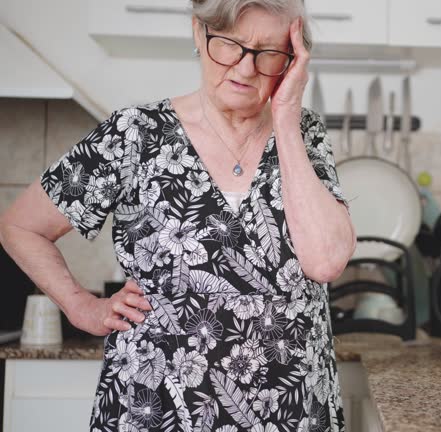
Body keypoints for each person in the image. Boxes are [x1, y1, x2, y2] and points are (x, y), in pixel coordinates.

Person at [0, 0, 356, 430]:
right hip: (159, 409)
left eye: (268, 54)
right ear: (198, 33)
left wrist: (285, 118)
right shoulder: (135, 133)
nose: (245, 69)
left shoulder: (305, 133)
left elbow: (326, 261)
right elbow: (21, 226)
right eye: (229, 45)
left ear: (293, 61)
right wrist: (80, 307)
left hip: (293, 415)